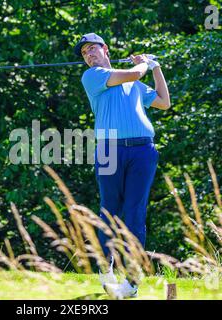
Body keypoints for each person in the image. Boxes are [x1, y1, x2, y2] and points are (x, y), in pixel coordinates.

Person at [74, 33, 171, 299]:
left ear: (105, 49)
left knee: (135, 215)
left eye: (93, 49)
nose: (90, 56)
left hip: (143, 151)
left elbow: (164, 102)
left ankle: (131, 282)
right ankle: (107, 269)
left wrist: (156, 68)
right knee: (109, 211)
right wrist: (142, 64)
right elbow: (133, 75)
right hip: (109, 151)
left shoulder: (133, 84)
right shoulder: (92, 77)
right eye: (85, 54)